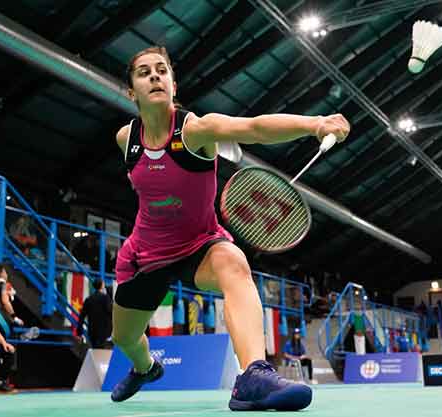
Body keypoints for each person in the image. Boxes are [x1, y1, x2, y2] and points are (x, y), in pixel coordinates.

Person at [109, 46, 349, 411]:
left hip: (199, 246)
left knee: (234, 262)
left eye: (162, 70)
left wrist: (315, 124)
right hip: (145, 255)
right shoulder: (127, 140)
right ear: (132, 91)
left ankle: (253, 375)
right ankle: (145, 368)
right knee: (125, 337)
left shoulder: (198, 131)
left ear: (174, 84)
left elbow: (254, 128)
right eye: (144, 73)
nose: (155, 76)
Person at [77, 279, 113, 348]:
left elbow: (82, 316)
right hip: (104, 331)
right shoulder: (105, 298)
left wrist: (79, 332)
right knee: (102, 352)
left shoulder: (88, 299)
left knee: (94, 349)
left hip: (92, 330)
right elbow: (110, 312)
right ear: (102, 286)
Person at [0, 263, 24, 328]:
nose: (6, 274)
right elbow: (5, 302)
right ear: (2, 273)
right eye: (5, 272)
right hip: (3, 323)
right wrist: (15, 317)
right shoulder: (5, 285)